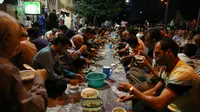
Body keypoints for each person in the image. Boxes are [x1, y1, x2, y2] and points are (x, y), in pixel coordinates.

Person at [118, 38, 200, 112]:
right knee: (136, 102)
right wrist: (131, 96)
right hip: (169, 105)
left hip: (174, 109)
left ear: (169, 52)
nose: (154, 57)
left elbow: (159, 104)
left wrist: (131, 89)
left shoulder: (182, 73)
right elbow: (154, 91)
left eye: (157, 54)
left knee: (139, 105)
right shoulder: (167, 68)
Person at [0, 11, 48, 112]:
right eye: (18, 37)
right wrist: (39, 79)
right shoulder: (5, 69)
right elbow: (34, 108)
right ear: (6, 39)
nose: (19, 43)